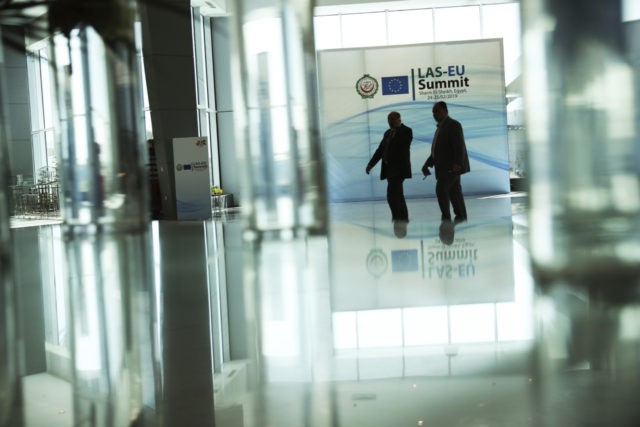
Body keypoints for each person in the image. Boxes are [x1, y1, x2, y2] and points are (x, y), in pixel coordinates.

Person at [422, 101, 470, 223]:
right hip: (444, 168)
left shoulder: (453, 125)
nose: (434, 114)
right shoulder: (440, 127)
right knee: (455, 193)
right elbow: (436, 150)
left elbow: (459, 146)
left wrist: (458, 163)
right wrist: (427, 163)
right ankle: (461, 217)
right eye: (433, 112)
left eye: (436, 111)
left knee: (441, 189)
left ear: (445, 110)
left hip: (451, 168)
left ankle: (446, 217)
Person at [365, 111, 412, 222]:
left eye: (392, 120)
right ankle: (403, 217)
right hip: (389, 169)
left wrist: (394, 134)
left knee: (391, 194)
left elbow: (402, 145)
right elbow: (380, 150)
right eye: (389, 120)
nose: (390, 122)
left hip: (399, 169)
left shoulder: (406, 131)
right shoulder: (387, 133)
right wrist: (370, 164)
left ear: (399, 120)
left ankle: (396, 217)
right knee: (398, 194)